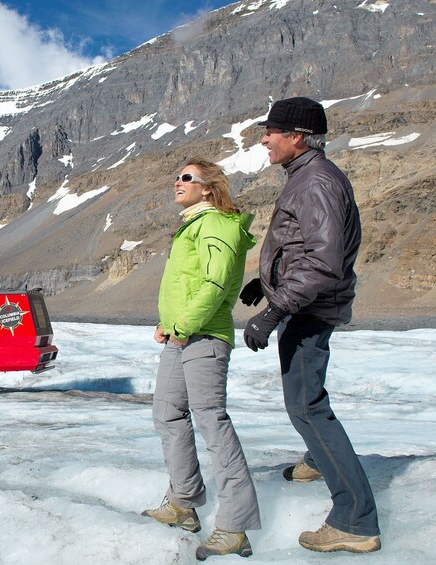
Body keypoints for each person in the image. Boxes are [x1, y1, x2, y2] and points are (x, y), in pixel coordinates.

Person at [239, 96, 381, 553]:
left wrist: (274, 309)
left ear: (296, 137)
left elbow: (323, 263)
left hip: (309, 310)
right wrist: (268, 279)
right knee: (307, 401)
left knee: (306, 406)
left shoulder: (315, 182)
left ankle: (354, 522)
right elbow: (304, 247)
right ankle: (320, 459)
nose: (264, 139)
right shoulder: (308, 176)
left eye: (272, 132)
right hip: (305, 305)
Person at [143, 159, 261, 560]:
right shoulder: (192, 225)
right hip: (182, 335)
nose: (178, 182)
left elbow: (215, 282)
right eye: (176, 176)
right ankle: (184, 501)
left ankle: (235, 525)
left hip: (205, 336)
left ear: (208, 188)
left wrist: (185, 323)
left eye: (187, 177)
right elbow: (188, 283)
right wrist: (169, 323)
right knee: (167, 413)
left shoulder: (217, 225)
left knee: (212, 421)